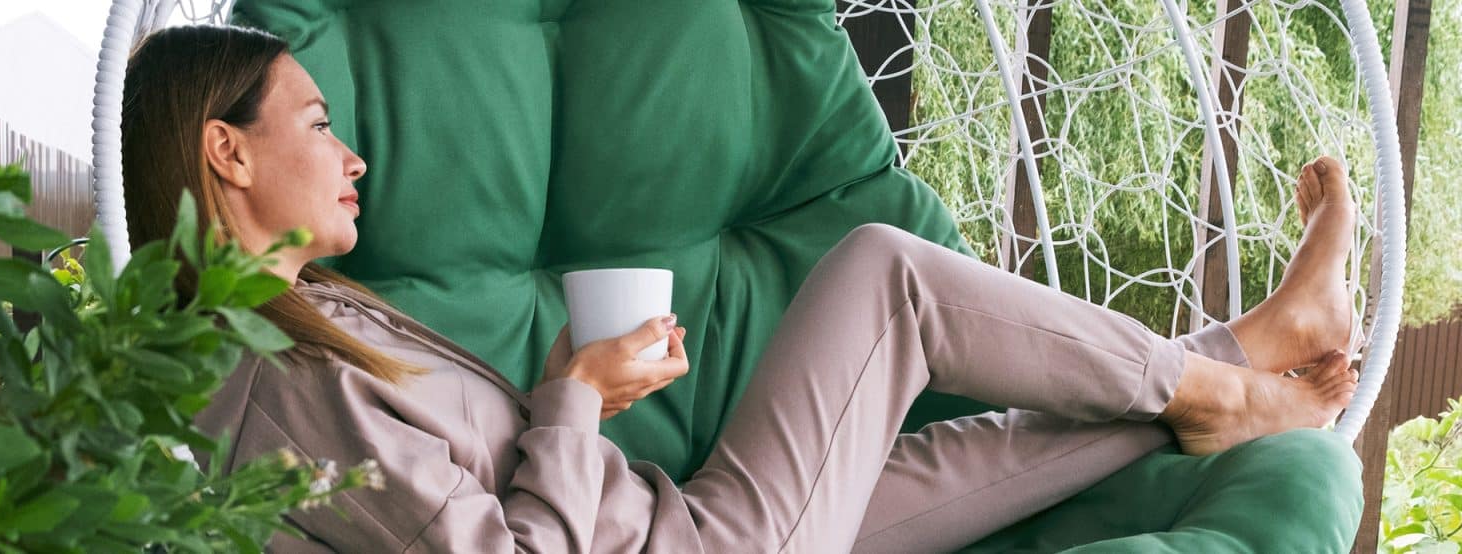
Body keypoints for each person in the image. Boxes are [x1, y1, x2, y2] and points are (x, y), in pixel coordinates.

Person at [123, 25, 1359, 552]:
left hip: (679, 518)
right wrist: (567, 400)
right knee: (885, 275)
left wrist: (579, 409)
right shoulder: (267, 382)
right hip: (695, 545)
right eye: (319, 121)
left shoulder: (316, 321)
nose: (352, 155)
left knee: (988, 447)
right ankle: (1231, 362)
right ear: (226, 151)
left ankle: (1233, 362)